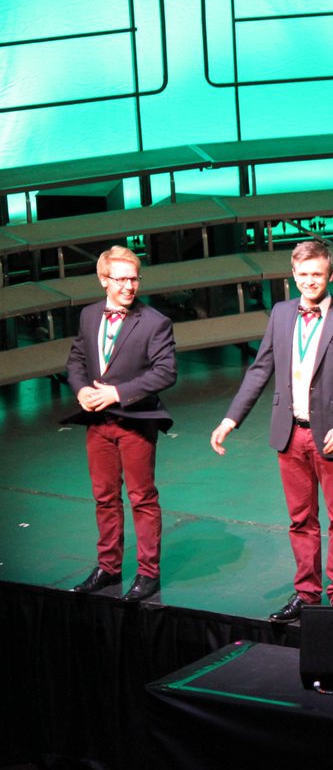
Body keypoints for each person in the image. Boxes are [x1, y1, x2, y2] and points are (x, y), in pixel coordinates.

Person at [210, 240, 333, 622]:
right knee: (301, 519)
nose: (310, 281)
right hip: (290, 433)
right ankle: (306, 593)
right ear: (293, 276)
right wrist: (231, 419)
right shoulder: (282, 314)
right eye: (303, 275)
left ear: (330, 275)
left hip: (331, 434)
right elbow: (261, 369)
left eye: (317, 274)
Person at [65, 245, 177, 603]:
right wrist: (81, 389)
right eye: (121, 279)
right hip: (98, 423)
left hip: (135, 420)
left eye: (134, 278)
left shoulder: (155, 322)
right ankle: (108, 566)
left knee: (142, 498)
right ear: (103, 280)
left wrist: (117, 393)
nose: (129, 286)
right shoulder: (88, 316)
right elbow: (77, 359)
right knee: (104, 497)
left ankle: (148, 573)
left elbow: (165, 372)